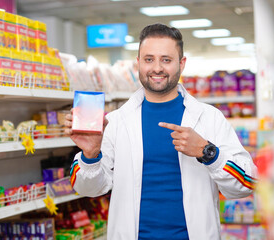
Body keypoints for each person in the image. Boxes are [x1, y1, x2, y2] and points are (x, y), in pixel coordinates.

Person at [64, 23, 258, 240]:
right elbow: (88, 189)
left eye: (166, 59)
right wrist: (90, 154)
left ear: (181, 64)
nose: (157, 68)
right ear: (138, 63)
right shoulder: (116, 122)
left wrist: (208, 152)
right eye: (149, 59)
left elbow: (247, 184)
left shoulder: (209, 118)